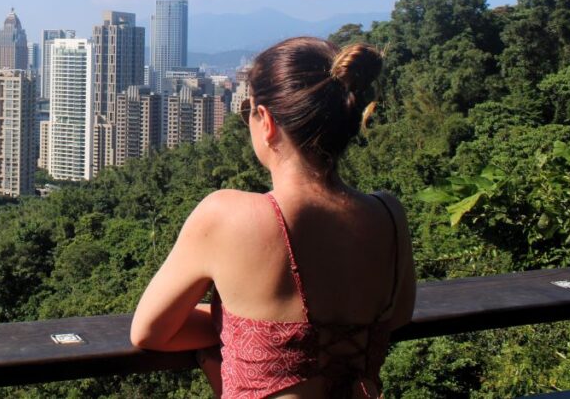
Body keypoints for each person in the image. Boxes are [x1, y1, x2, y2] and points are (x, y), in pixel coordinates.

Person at [130, 37, 416, 398]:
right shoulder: (389, 215)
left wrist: (231, 325)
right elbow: (398, 316)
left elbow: (149, 331)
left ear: (265, 120)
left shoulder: (226, 215)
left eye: (248, 107)